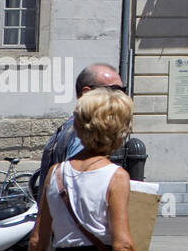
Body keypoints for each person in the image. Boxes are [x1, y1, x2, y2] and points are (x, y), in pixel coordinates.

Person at [29, 87, 135, 251]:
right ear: (120, 131)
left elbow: (37, 241)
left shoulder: (56, 172)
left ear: (78, 126)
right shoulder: (116, 177)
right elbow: (123, 245)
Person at [37, 63, 126, 191]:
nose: (120, 97)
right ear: (86, 94)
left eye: (122, 91)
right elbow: (81, 190)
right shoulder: (86, 134)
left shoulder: (68, 127)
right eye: (114, 90)